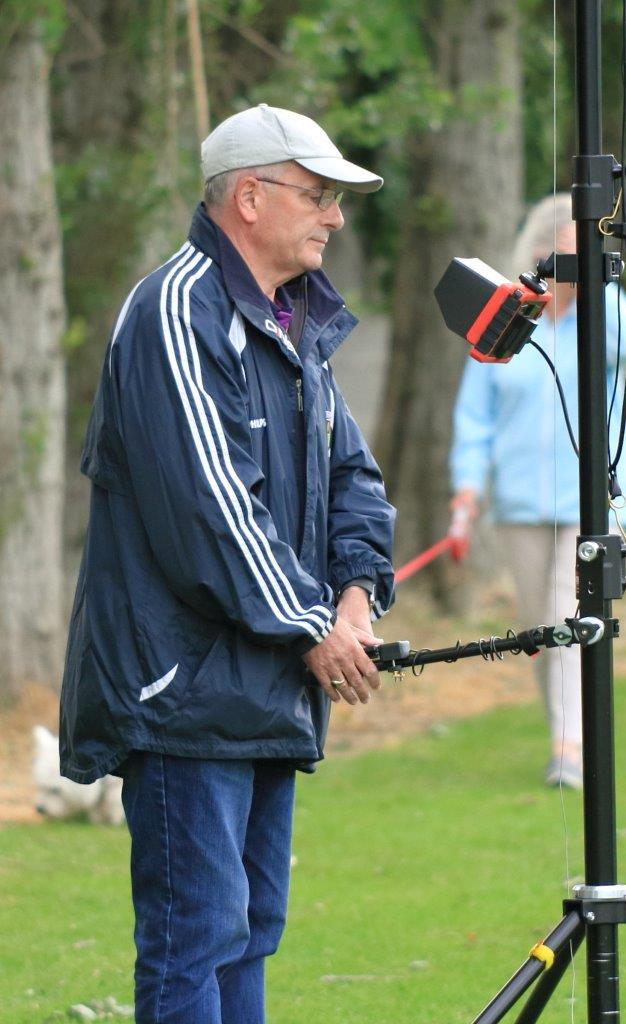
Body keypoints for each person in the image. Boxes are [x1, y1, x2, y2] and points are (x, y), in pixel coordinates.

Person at [59, 103, 395, 1024]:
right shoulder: (175, 308)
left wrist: (357, 598)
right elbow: (212, 506)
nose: (334, 216)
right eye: (319, 195)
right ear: (250, 197)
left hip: (266, 690)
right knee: (194, 937)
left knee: (252, 931)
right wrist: (311, 622)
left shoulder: (297, 329)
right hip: (181, 695)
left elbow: (353, 480)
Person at [448, 193, 626, 790]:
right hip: (521, 505)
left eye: (576, 255)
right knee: (542, 625)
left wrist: (597, 284)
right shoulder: (510, 328)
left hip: (593, 504)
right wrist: (467, 488)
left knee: (573, 615)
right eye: (557, 254)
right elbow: (474, 416)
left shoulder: (605, 323)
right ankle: (567, 732)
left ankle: (571, 747)